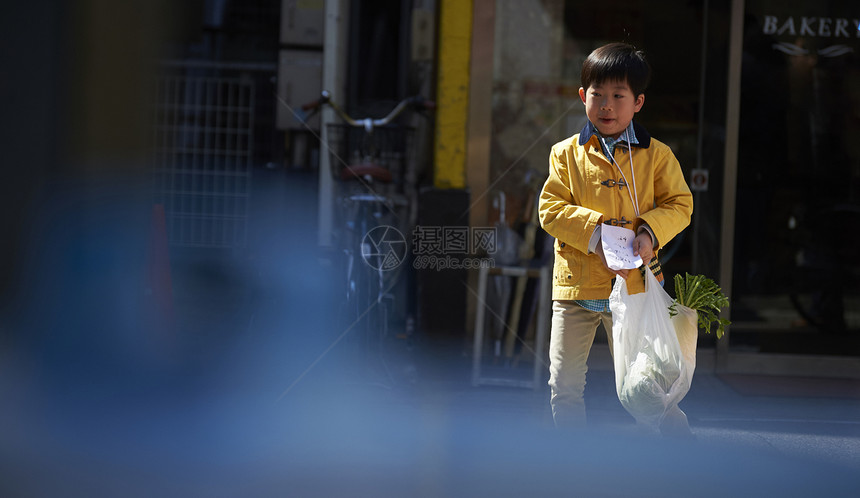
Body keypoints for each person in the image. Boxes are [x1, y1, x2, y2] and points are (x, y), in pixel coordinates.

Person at [538, 42, 694, 433]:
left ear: (638, 102)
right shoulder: (565, 154)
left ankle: (674, 449)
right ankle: (571, 463)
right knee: (564, 385)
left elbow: (680, 203)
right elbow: (549, 209)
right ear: (582, 97)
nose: (607, 105)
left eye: (618, 96)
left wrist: (648, 230)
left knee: (644, 383)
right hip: (574, 288)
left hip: (634, 285)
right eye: (598, 95)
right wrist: (598, 236)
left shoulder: (657, 155)